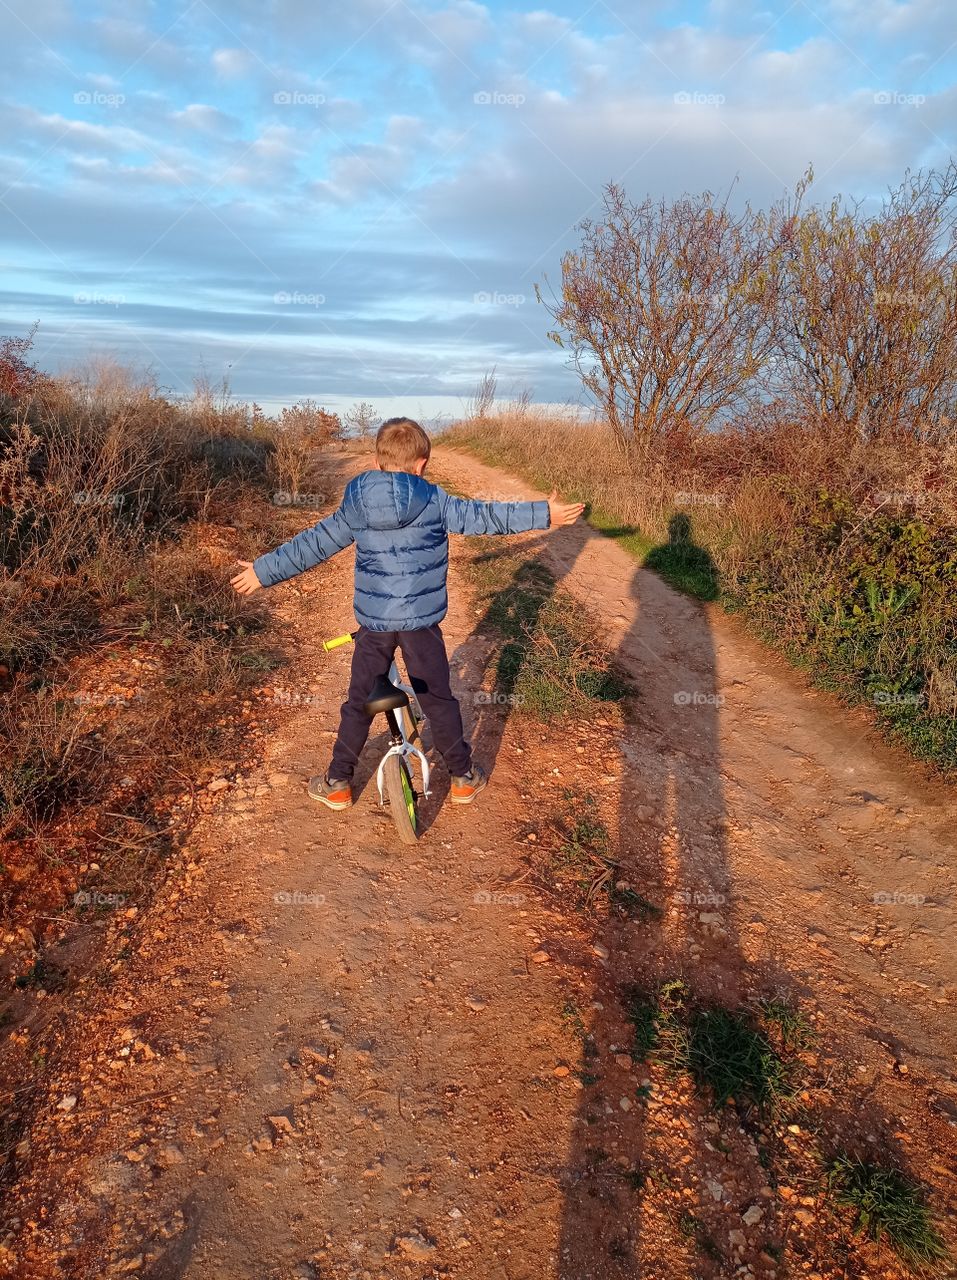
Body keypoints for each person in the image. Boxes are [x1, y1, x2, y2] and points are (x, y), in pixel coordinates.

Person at [231, 417, 584, 809]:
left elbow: (313, 545)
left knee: (360, 700)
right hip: (421, 625)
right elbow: (487, 517)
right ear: (422, 463)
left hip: (374, 625)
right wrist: (544, 514)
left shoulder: (356, 504)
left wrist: (262, 572)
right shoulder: (435, 501)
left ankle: (337, 782)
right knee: (437, 699)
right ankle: (464, 778)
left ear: (377, 460)